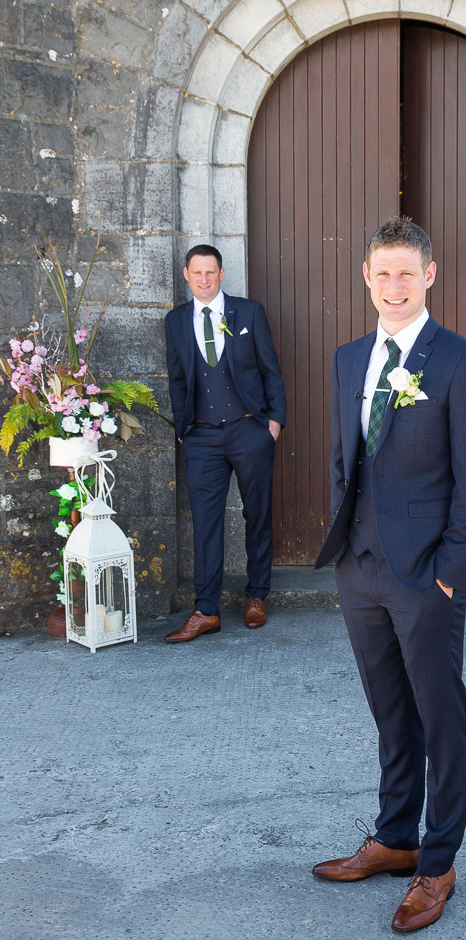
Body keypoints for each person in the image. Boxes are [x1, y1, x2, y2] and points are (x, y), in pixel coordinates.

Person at [313, 217, 466, 933]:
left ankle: (437, 861)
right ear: (366, 277)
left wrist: (451, 573)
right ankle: (396, 838)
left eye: (406, 272)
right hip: (359, 569)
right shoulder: (346, 357)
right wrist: (343, 538)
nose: (393, 286)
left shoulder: (462, 361)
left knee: (438, 717)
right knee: (390, 712)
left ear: (430, 275)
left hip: (427, 576)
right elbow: (345, 456)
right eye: (381, 272)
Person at [163, 244, 286, 643]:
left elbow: (271, 369)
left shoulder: (248, 312)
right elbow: (178, 379)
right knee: (205, 523)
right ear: (186, 274)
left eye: (210, 273)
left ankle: (256, 595)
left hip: (249, 429)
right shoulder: (176, 321)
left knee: (257, 513)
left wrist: (274, 421)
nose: (203, 280)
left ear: (221, 273)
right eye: (196, 273)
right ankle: (207, 609)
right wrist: (184, 429)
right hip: (202, 436)